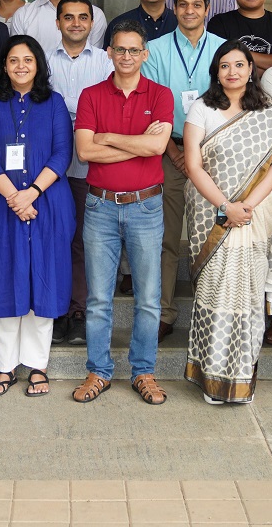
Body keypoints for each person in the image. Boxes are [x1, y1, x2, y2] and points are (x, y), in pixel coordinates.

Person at [183, 40, 272, 404]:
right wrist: (226, 207)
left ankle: (239, 380)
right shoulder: (201, 108)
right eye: (224, 66)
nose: (232, 72)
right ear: (216, 72)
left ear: (251, 69)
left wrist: (246, 206)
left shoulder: (270, 111)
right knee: (215, 292)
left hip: (255, 215)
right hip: (212, 215)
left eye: (239, 65)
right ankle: (210, 378)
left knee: (247, 295)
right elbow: (193, 165)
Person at [71, 20, 175, 405]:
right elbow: (85, 151)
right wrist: (140, 142)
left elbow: (158, 148)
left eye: (134, 50)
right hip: (100, 205)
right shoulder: (91, 95)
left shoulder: (162, 95)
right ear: (110, 53)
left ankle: (143, 371)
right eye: (120, 50)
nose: (127, 56)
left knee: (148, 298)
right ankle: (98, 372)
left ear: (144, 54)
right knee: (99, 299)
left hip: (146, 205)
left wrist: (111, 137)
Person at [0, 36, 76, 398]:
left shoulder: (54, 103)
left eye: (28, 60)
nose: (20, 66)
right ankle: (4, 367)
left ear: (38, 65)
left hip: (46, 203)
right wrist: (13, 197)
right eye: (13, 60)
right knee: (3, 280)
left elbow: (62, 154)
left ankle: (37, 366)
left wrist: (30, 193)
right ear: (4, 65)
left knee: (42, 279)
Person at [142, 0, 224, 341]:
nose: (190, 11)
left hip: (214, 154)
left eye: (197, 5)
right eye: (184, 4)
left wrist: (200, 151)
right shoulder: (155, 49)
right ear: (175, 8)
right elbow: (150, 104)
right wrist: (174, 151)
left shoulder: (224, 49)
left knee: (212, 235)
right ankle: (164, 310)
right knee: (167, 236)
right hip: (169, 152)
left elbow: (231, 102)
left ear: (208, 9)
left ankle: (212, 310)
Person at [46, 0, 113, 346]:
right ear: (57, 23)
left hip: (93, 164)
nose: (75, 23)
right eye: (68, 17)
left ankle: (79, 309)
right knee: (56, 236)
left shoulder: (106, 62)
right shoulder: (41, 62)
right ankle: (55, 307)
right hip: (48, 167)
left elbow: (109, 108)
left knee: (85, 242)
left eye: (82, 17)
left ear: (92, 23)